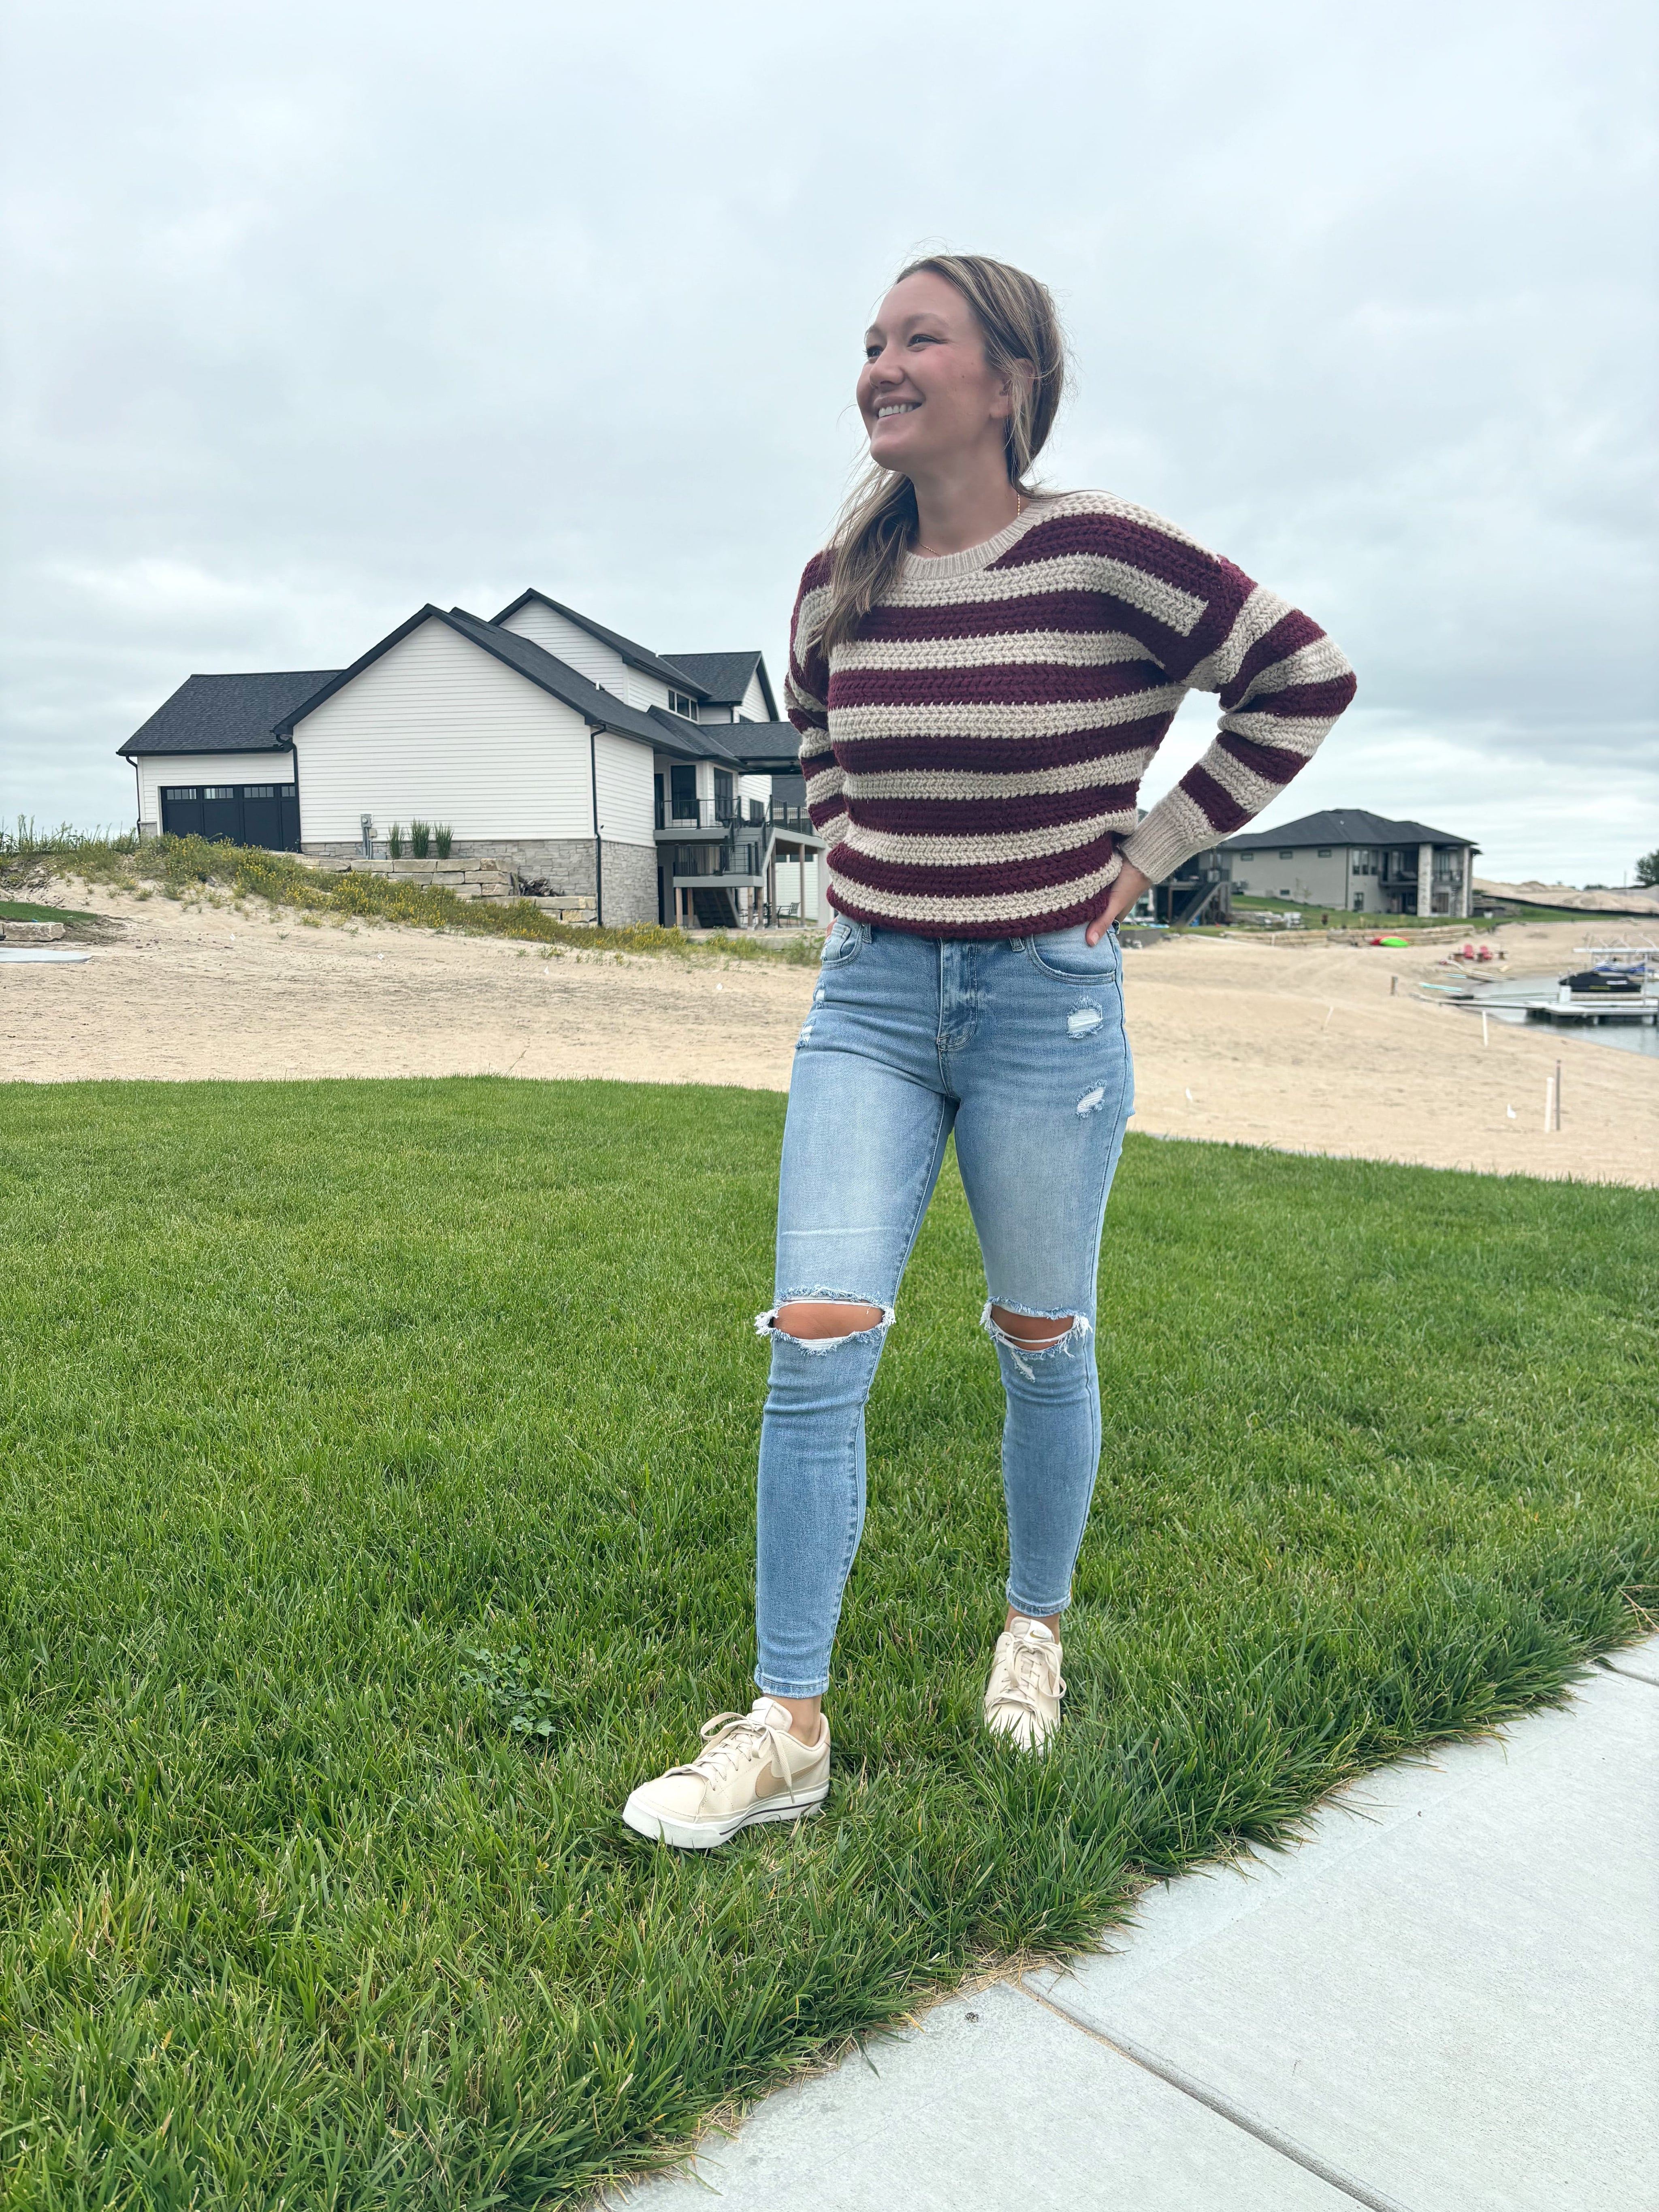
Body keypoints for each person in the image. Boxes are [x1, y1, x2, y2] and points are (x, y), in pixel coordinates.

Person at [623, 254, 1355, 1850]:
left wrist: (1146, 852)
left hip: (1048, 1003)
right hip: (872, 999)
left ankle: (1033, 1626)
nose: (879, 366)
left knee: (1039, 1332)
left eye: (916, 340)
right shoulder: (838, 579)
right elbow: (814, 730)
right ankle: (785, 1724)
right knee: (816, 1332)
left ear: (1009, 380)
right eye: (870, 344)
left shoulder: (1105, 554)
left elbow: (1302, 676)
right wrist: (844, 867)